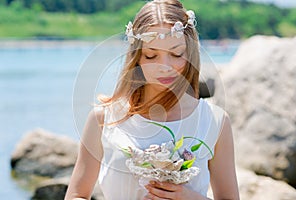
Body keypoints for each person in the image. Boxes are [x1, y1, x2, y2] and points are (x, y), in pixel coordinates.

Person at [65, 0, 239, 199]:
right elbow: (76, 195)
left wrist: (185, 196)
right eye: (150, 56)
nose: (164, 66)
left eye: (176, 54)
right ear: (136, 57)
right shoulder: (104, 118)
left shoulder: (214, 120)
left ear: (190, 53)